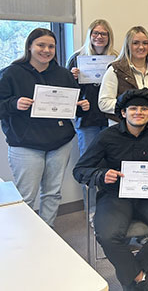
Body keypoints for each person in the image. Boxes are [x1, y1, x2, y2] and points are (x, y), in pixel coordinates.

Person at [73, 88, 148, 291]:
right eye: (133, 108)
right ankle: (141, 277)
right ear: (123, 113)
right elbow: (80, 170)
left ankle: (135, 271)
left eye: (143, 109)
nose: (138, 112)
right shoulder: (107, 136)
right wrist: (101, 175)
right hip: (115, 195)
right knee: (107, 234)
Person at [0, 28, 89, 227]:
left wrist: (82, 107)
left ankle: (46, 230)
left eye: (51, 46)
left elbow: (72, 108)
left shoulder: (63, 74)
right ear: (30, 46)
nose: (46, 50)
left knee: (52, 193)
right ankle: (25, 235)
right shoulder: (11, 73)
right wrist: (14, 104)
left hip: (59, 144)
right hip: (25, 145)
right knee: (26, 196)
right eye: (41, 45)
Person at [67, 19, 117, 212]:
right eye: (95, 33)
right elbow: (66, 94)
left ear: (109, 37)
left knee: (112, 164)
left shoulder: (116, 59)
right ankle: (92, 211)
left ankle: (110, 210)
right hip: (87, 121)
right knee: (89, 166)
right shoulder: (76, 59)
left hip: (111, 119)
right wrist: (72, 78)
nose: (99, 37)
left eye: (103, 33)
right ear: (89, 35)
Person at [99, 26, 148, 122]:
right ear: (128, 45)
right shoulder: (115, 70)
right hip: (122, 129)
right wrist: (132, 107)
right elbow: (103, 103)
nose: (141, 47)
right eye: (135, 43)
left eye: (145, 43)